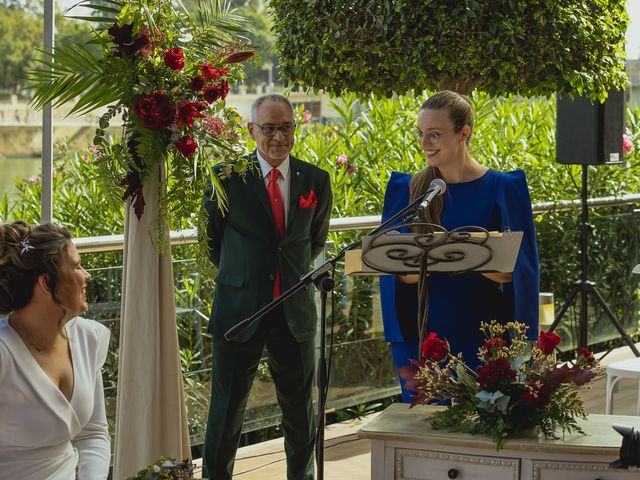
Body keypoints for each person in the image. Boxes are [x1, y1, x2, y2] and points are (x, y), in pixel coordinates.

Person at [201, 94, 332, 480]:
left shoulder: (316, 180)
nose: (278, 136)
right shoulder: (225, 176)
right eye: (269, 127)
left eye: (286, 127)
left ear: (295, 128)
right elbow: (212, 241)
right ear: (252, 130)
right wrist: (244, 276)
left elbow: (316, 241)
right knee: (226, 409)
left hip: (295, 310)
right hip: (239, 309)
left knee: (299, 412)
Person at [380, 91, 540, 402]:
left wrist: (442, 255)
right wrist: (467, 255)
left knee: (483, 430)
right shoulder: (407, 190)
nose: (425, 143)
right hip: (421, 338)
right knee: (423, 433)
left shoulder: (504, 188)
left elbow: (518, 271)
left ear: (463, 132)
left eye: (435, 134)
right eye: (421, 134)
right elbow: (395, 273)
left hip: (486, 336)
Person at [0, 221, 111, 479]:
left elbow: (93, 433)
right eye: (76, 266)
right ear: (46, 283)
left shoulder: (88, 338)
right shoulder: (4, 353)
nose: (86, 275)